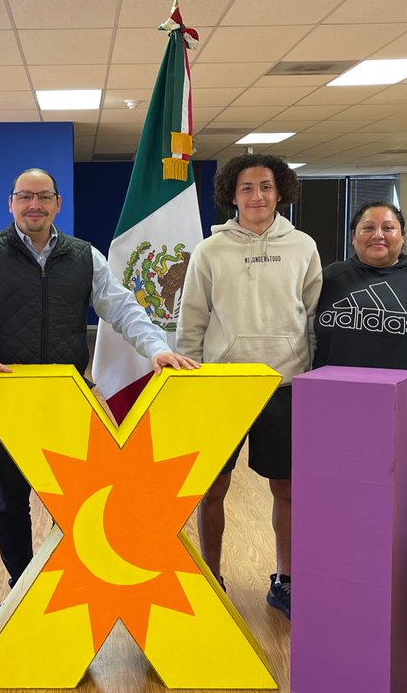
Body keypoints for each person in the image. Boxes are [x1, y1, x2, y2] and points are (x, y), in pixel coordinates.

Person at [0, 167, 198, 588]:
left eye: (43, 197)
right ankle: (21, 586)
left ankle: (76, 583)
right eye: (25, 196)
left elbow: (122, 308)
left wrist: (157, 348)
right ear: (11, 203)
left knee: (81, 501)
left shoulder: (85, 256)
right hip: (3, 397)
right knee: (10, 502)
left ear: (58, 203)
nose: (34, 205)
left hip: (67, 397)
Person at [177, 153, 322, 620]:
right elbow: (192, 320)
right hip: (222, 387)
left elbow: (315, 317)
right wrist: (190, 381)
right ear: (231, 196)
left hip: (285, 384)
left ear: (280, 191)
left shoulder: (303, 246)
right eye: (246, 188)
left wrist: (315, 376)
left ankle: (287, 579)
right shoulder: (210, 251)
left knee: (288, 489)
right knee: (211, 488)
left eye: (265, 186)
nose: (256, 196)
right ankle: (210, 575)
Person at [313, 202, 407, 497]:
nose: (378, 235)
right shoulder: (329, 279)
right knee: (341, 501)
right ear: (353, 236)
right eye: (368, 228)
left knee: (403, 506)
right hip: (338, 414)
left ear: (403, 235)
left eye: (388, 227)